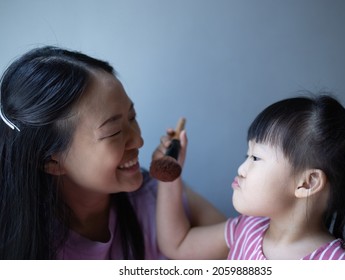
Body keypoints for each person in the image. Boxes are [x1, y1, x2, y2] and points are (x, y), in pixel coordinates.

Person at [0, 46, 225, 259]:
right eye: (114, 132)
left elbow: (243, 250)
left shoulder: (156, 195)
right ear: (51, 160)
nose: (139, 140)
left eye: (132, 117)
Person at [156, 94, 345, 260]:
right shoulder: (248, 229)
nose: (241, 168)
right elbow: (177, 245)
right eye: (246, 155)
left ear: (307, 183)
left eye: (255, 158)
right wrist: (169, 172)